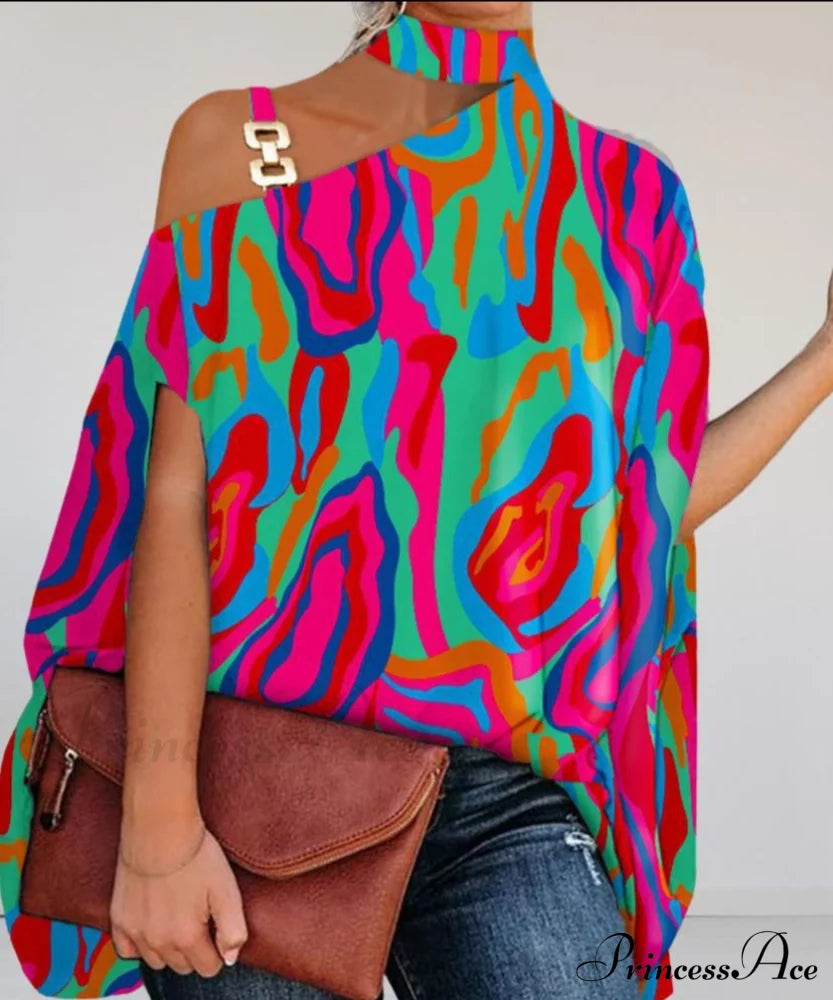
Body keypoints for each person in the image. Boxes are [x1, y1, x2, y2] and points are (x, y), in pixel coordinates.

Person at [1, 3, 831, 1000]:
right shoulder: (253, 143)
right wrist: (160, 824)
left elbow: (636, 516)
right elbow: (174, 494)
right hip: (246, 777)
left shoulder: (627, 195)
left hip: (500, 791)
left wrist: (822, 360)